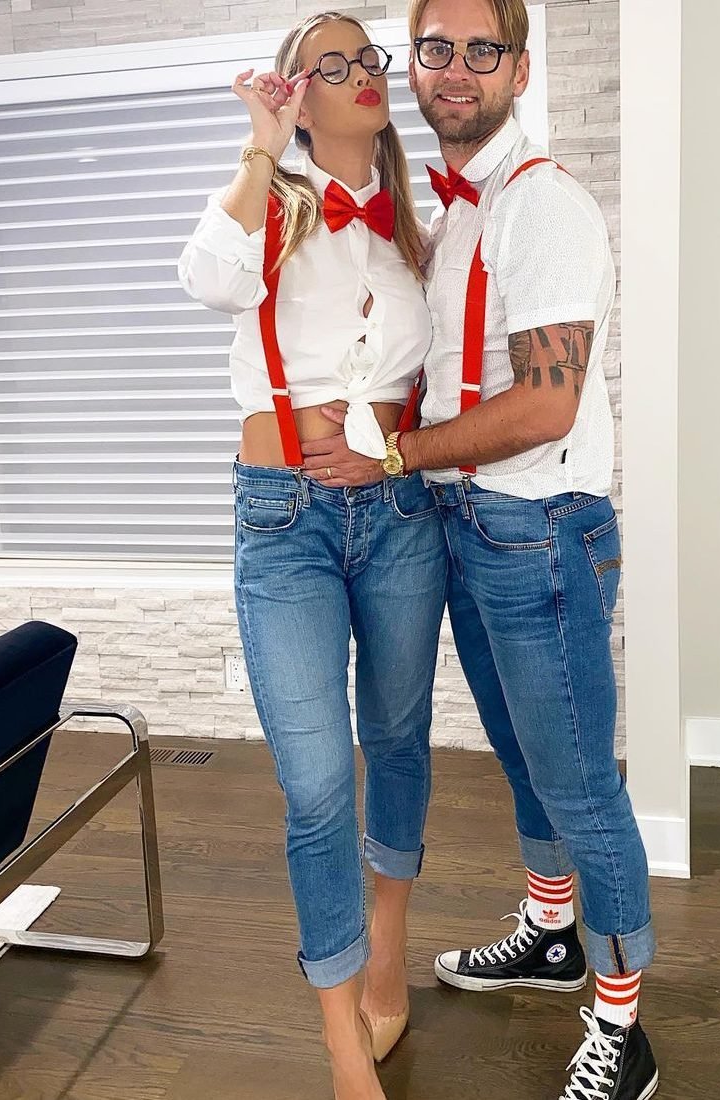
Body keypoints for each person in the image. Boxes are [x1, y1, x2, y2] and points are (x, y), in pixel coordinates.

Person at [300, 0, 660, 1096]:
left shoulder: (539, 204)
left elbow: (546, 406)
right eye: (436, 49)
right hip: (470, 525)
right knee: (521, 753)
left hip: (538, 531)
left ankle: (625, 1028)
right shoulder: (456, 211)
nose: (455, 70)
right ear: (415, 65)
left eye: (481, 50)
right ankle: (553, 931)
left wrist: (395, 455)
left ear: (519, 67)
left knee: (580, 783)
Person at [177, 13, 447, 1099]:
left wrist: (396, 449)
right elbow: (205, 278)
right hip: (285, 520)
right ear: (298, 94)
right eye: (328, 65)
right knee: (319, 778)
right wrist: (261, 143)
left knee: (399, 739)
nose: (358, 74)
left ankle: (389, 948)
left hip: (401, 512)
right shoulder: (270, 209)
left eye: (365, 57)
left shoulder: (419, 224)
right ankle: (341, 1039)